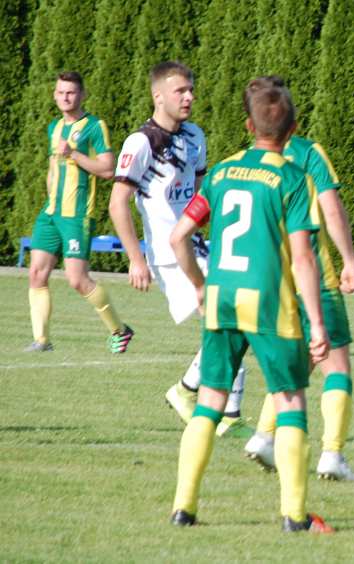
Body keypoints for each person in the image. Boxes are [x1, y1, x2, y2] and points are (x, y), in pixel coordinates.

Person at [168, 76, 333, 533]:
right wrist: (317, 324)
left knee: (209, 403)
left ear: (248, 124)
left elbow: (178, 236)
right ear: (293, 128)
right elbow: (302, 257)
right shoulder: (293, 178)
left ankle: (184, 508)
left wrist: (200, 285)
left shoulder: (221, 172)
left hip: (222, 298)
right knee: (291, 401)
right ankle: (295, 516)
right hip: (269, 304)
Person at [108, 61, 246, 436]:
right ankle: (218, 410)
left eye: (191, 89)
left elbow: (200, 194)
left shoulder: (195, 136)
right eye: (180, 91)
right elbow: (118, 202)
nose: (189, 96)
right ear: (158, 96)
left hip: (196, 247)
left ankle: (204, 401)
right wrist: (136, 259)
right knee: (229, 319)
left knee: (230, 322)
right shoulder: (141, 143)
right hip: (169, 256)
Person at [243, 78, 354, 480]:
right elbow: (331, 208)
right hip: (314, 274)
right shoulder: (309, 153)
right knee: (337, 365)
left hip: (270, 280)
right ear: (292, 119)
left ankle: (262, 436)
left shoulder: (246, 160)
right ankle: (332, 455)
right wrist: (349, 259)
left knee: (299, 364)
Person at [26, 71, 133, 353]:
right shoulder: (54, 127)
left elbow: (109, 169)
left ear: (82, 95)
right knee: (37, 273)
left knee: (77, 279)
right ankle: (41, 340)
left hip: (76, 216)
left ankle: (119, 331)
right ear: (54, 95)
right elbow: (53, 168)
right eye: (61, 92)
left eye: (71, 92)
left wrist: (74, 153)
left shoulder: (95, 126)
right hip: (50, 213)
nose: (65, 97)